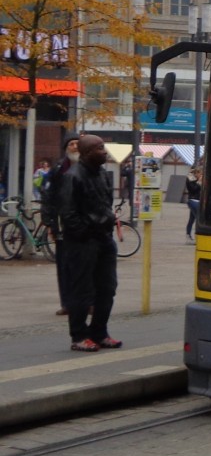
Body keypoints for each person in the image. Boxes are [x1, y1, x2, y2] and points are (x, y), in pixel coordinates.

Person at [59, 134, 121, 352]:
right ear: (86, 153)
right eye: (99, 148)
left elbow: (105, 203)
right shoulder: (72, 176)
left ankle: (99, 332)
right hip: (82, 243)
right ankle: (79, 335)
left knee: (108, 288)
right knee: (82, 290)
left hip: (104, 239)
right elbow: (68, 213)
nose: (104, 151)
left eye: (103, 147)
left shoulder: (103, 174)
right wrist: (85, 233)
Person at [39, 135, 80, 316]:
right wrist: (49, 222)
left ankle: (88, 303)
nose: (74, 147)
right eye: (71, 144)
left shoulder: (90, 167)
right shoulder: (57, 170)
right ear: (65, 148)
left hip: (84, 226)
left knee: (85, 266)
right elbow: (48, 197)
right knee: (64, 266)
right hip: (63, 225)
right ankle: (67, 303)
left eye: (77, 144)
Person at [185, 167, 201, 242]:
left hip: (197, 200)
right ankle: (198, 236)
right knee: (199, 219)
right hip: (193, 200)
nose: (200, 175)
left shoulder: (195, 180)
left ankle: (188, 235)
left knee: (191, 219)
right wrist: (199, 182)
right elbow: (193, 189)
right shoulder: (191, 179)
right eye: (199, 173)